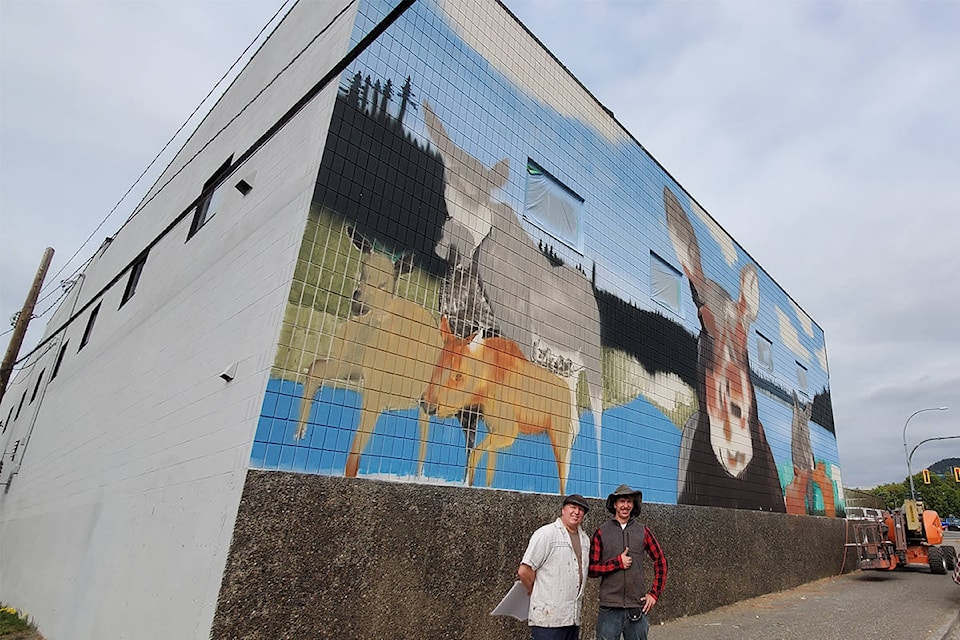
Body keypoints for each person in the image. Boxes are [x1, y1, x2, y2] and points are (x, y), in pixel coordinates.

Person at [588, 484, 667, 640]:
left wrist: (654, 594)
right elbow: (592, 569)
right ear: (615, 504)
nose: (625, 506)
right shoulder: (602, 532)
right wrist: (617, 563)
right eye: (622, 501)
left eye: (629, 501)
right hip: (609, 609)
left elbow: (660, 561)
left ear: (633, 505)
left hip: (636, 607)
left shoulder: (643, 531)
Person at [518, 494, 592, 640]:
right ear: (563, 510)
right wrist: (534, 589)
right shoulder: (546, 534)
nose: (576, 512)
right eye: (572, 507)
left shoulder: (585, 539)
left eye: (581, 509)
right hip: (548, 621)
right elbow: (524, 570)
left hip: (572, 618)